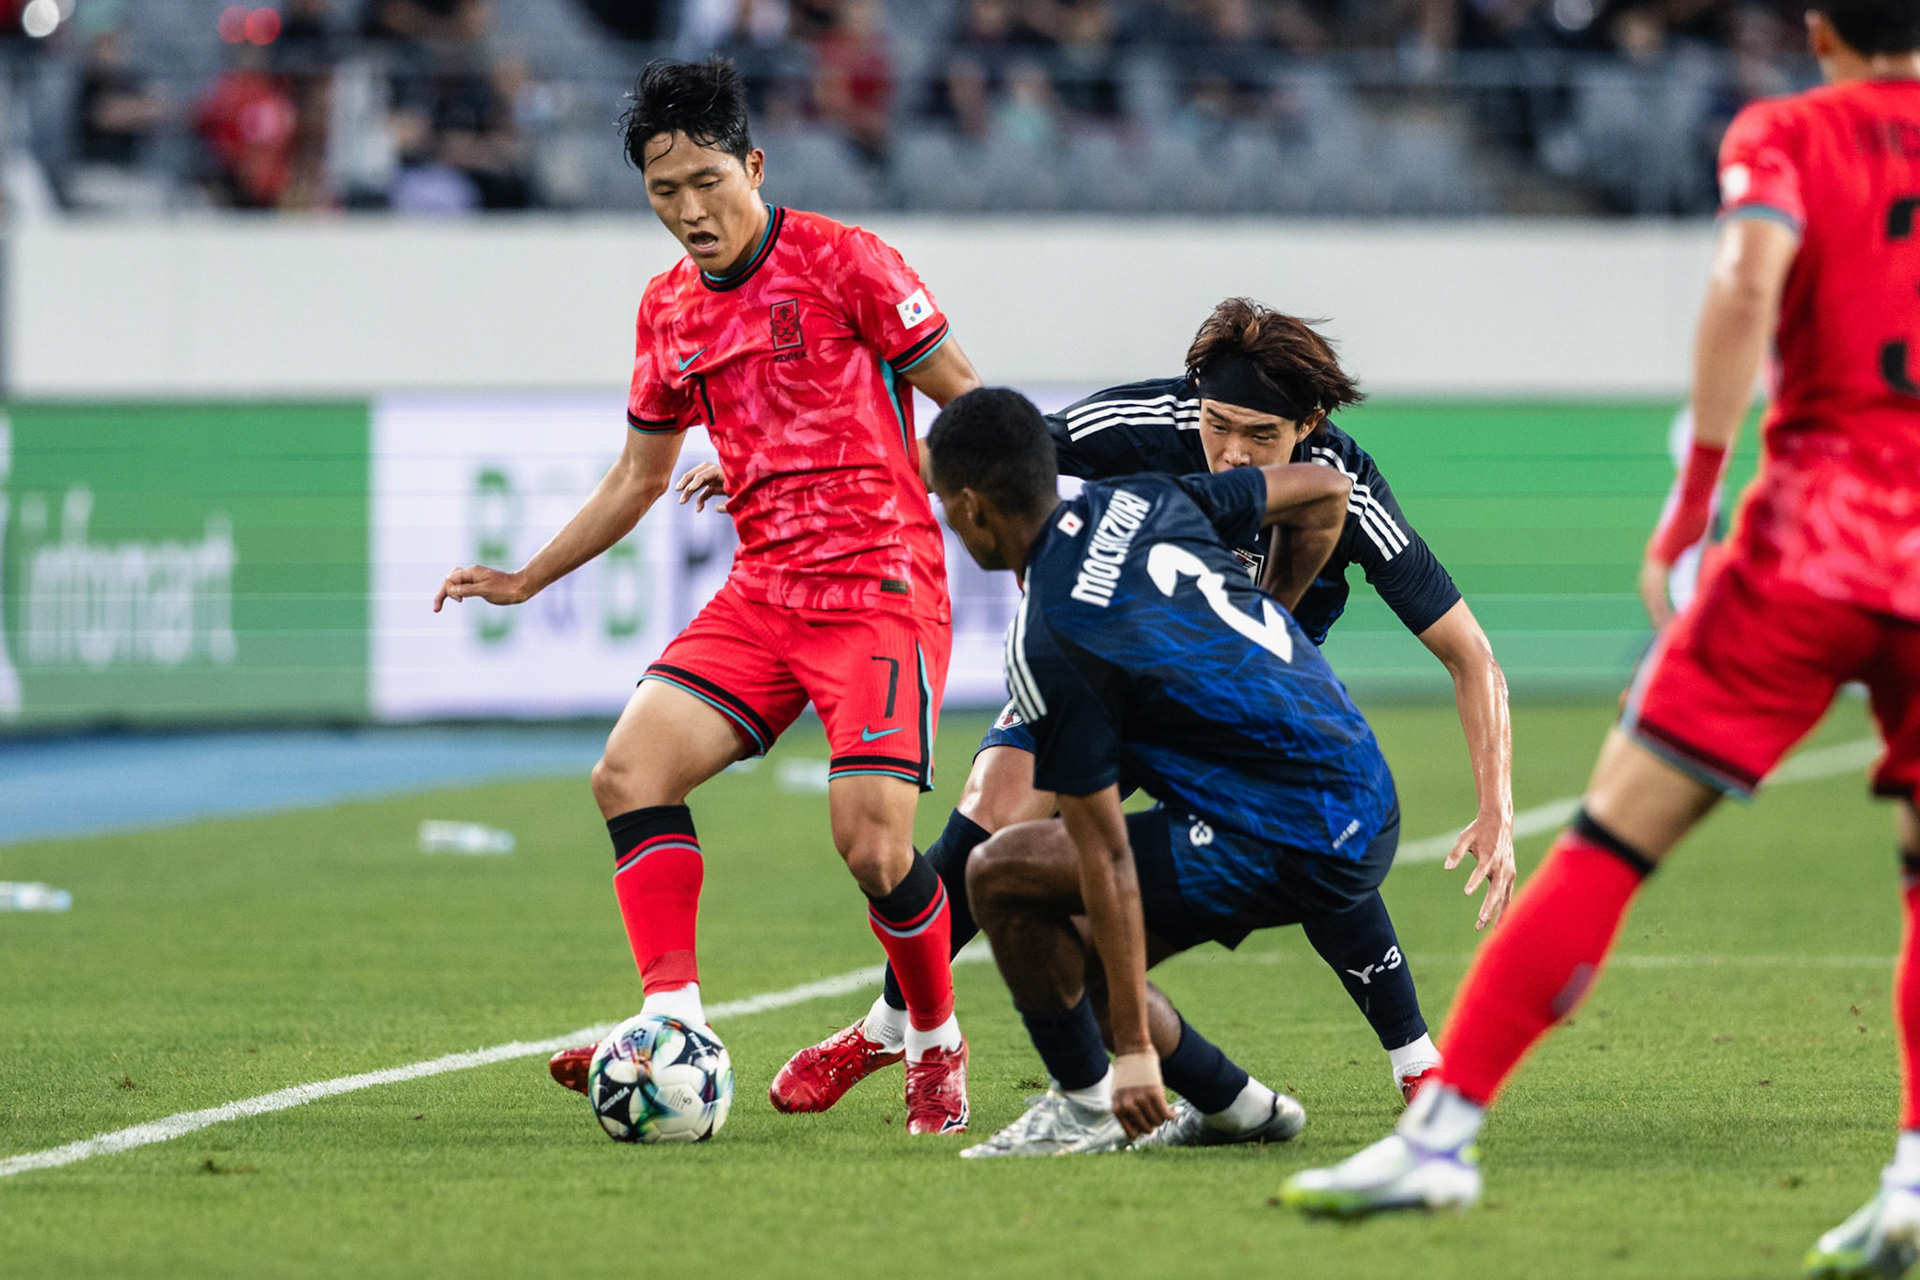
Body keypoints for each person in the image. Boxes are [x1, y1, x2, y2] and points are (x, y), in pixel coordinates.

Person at [1280, 2, 1920, 1267]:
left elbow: (1748, 278)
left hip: (1817, 542)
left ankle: (1443, 1136)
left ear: (1818, 28)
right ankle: (1911, 1173)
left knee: (1619, 830)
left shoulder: (1791, 129)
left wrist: (1691, 503)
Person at [771, 299, 1514, 1120]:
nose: (1231, 452)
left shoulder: (1349, 486)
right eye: (1217, 423)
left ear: (1311, 425)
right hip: (1099, 666)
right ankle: (894, 1025)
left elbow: (1471, 655)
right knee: (989, 821)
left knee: (1314, 838)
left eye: (1259, 437)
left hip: (1230, 710)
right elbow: (984, 461)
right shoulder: (1146, 421)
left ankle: (1415, 1066)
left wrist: (1496, 807)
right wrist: (782, 482)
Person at [435, 56, 984, 1136]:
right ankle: (670, 1022)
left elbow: (974, 412)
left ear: (755, 165)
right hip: (766, 591)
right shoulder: (668, 310)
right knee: (628, 770)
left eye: (707, 183)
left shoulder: (848, 262)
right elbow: (638, 477)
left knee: (873, 846)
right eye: (663, 190)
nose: (689, 211)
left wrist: (867, 474)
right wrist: (523, 577)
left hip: (879, 586)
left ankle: (933, 1041)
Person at [916, 386, 1401, 1157]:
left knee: (998, 871)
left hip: (1293, 828)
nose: (944, 517)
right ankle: (1236, 1107)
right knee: (1070, 944)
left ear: (973, 507)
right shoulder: (1141, 500)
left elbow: (1104, 851)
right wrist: (1271, 606)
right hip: (1361, 786)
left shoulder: (1054, 640)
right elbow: (1325, 493)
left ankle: (1084, 1105)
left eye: (942, 501)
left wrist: (1134, 1051)